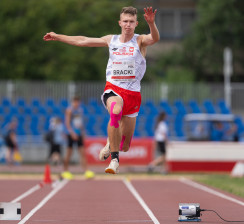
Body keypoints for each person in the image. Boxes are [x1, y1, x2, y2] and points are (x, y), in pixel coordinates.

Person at [44, 6, 160, 174]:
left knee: (125, 146)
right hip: (113, 89)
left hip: (133, 94)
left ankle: (110, 142)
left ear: (136, 24)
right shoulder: (110, 40)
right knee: (115, 110)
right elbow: (82, 40)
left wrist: (151, 24)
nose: (128, 25)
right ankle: (114, 160)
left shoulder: (140, 40)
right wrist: (58, 37)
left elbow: (155, 38)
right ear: (120, 23)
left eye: (131, 22)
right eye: (125, 21)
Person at [62, 96, 94, 179]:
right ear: (73, 102)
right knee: (69, 153)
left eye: (78, 102)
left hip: (79, 134)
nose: (77, 103)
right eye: (75, 102)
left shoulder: (80, 110)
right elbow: (67, 123)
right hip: (71, 134)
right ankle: (65, 171)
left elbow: (81, 123)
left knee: (82, 152)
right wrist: (72, 133)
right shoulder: (69, 110)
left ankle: (86, 171)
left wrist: (83, 133)